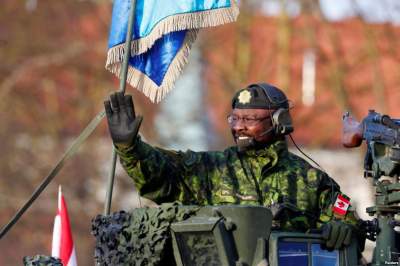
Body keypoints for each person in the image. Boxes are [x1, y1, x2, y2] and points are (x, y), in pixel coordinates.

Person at [104, 83, 365, 252]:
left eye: (249, 119)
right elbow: (162, 176)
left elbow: (348, 220)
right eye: (235, 118)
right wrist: (130, 147)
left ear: (279, 121)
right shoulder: (212, 169)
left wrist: (344, 229)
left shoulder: (310, 180)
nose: (238, 126)